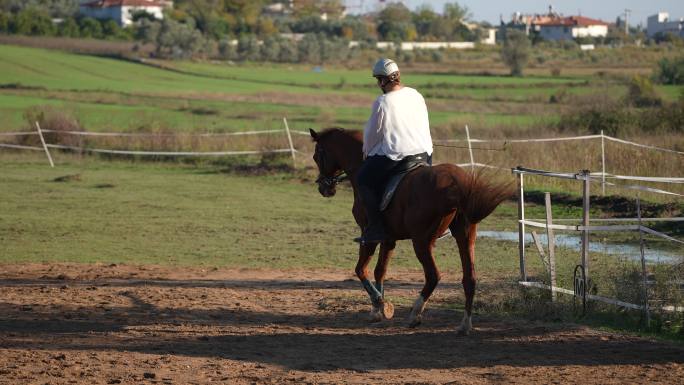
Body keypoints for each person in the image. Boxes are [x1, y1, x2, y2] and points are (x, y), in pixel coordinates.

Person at [354, 58, 433, 244]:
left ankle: (375, 229)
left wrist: (367, 150)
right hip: (424, 153)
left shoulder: (382, 102)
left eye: (378, 80)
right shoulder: (416, 94)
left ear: (383, 80)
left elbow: (373, 134)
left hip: (398, 156)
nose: (377, 84)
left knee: (362, 179)